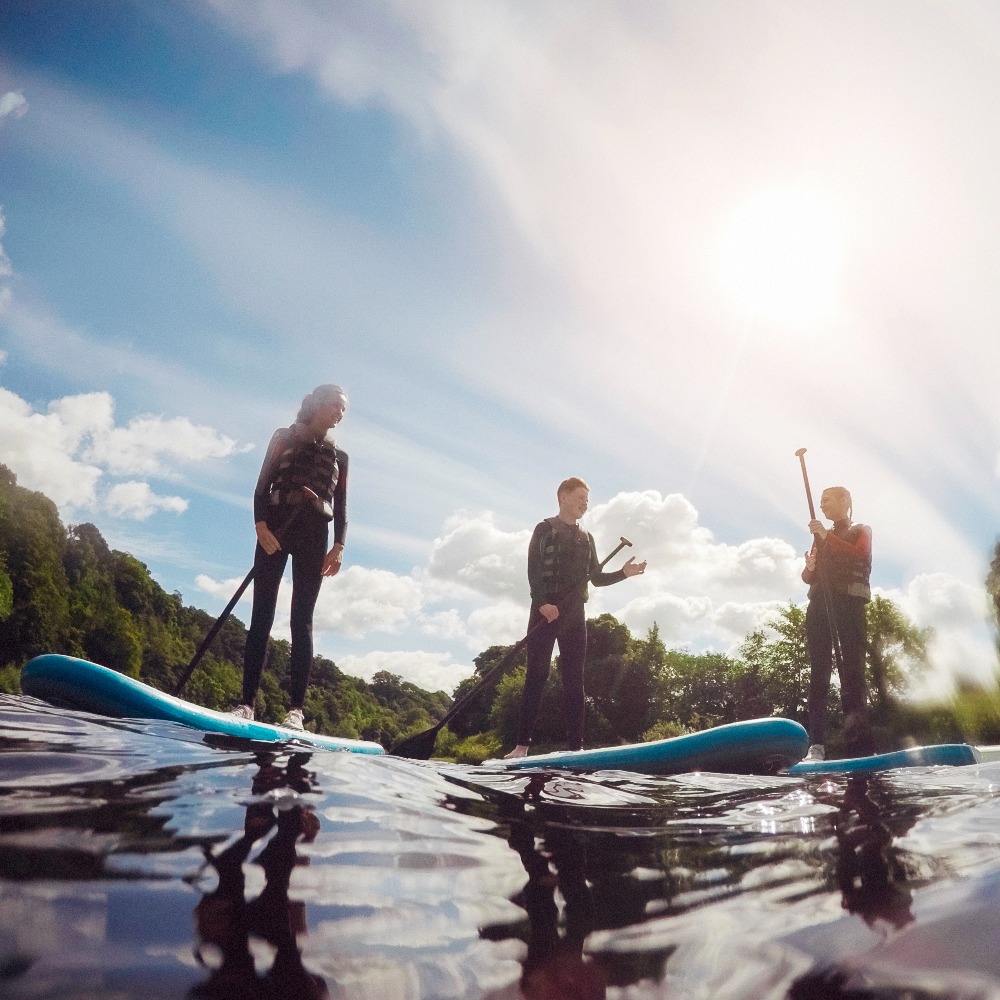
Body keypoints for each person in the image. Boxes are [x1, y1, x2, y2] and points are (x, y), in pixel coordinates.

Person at [229, 384, 349, 731]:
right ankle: (246, 704)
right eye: (335, 405)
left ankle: (296, 711)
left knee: (302, 621)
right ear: (316, 404)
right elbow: (262, 485)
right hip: (277, 529)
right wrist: (260, 525)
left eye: (344, 409)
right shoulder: (284, 436)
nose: (340, 413)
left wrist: (339, 545)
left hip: (315, 536)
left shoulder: (341, 457)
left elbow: (341, 506)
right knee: (262, 614)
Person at [504, 477, 646, 759]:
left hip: (573, 615)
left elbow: (596, 579)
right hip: (544, 613)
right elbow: (533, 570)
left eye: (587, 500)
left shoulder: (587, 537)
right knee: (536, 676)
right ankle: (521, 747)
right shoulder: (544, 529)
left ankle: (575, 748)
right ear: (563, 497)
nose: (585, 504)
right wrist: (543, 603)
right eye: (580, 497)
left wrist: (623, 573)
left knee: (573, 680)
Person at [801, 485, 875, 761]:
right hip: (820, 607)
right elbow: (808, 576)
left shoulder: (861, 530)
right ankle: (816, 747)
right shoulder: (821, 537)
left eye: (827, 500)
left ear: (845, 501)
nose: (822, 506)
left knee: (851, 673)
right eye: (820, 502)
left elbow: (859, 555)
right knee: (818, 673)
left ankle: (858, 745)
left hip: (849, 606)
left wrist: (825, 536)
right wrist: (809, 567)